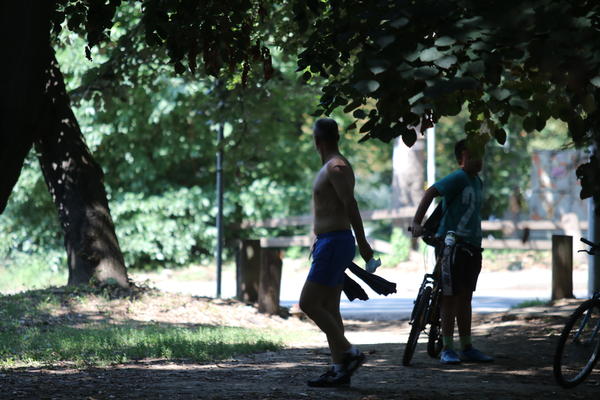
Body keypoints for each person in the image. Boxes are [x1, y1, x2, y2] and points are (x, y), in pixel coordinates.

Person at [299, 118, 373, 387]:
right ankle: (339, 370)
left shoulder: (336, 166)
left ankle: (349, 353)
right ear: (336, 137)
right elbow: (331, 208)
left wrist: (363, 243)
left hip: (336, 242)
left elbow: (349, 203)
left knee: (308, 303)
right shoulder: (331, 166)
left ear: (316, 141)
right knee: (329, 307)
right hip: (329, 242)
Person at [411, 138, 494, 364]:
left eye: (480, 156)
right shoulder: (458, 178)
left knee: (466, 296)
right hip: (451, 246)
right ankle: (448, 348)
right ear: (461, 159)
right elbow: (431, 192)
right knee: (449, 297)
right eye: (471, 156)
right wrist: (417, 222)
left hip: (472, 247)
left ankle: (467, 346)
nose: (477, 160)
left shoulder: (478, 182)